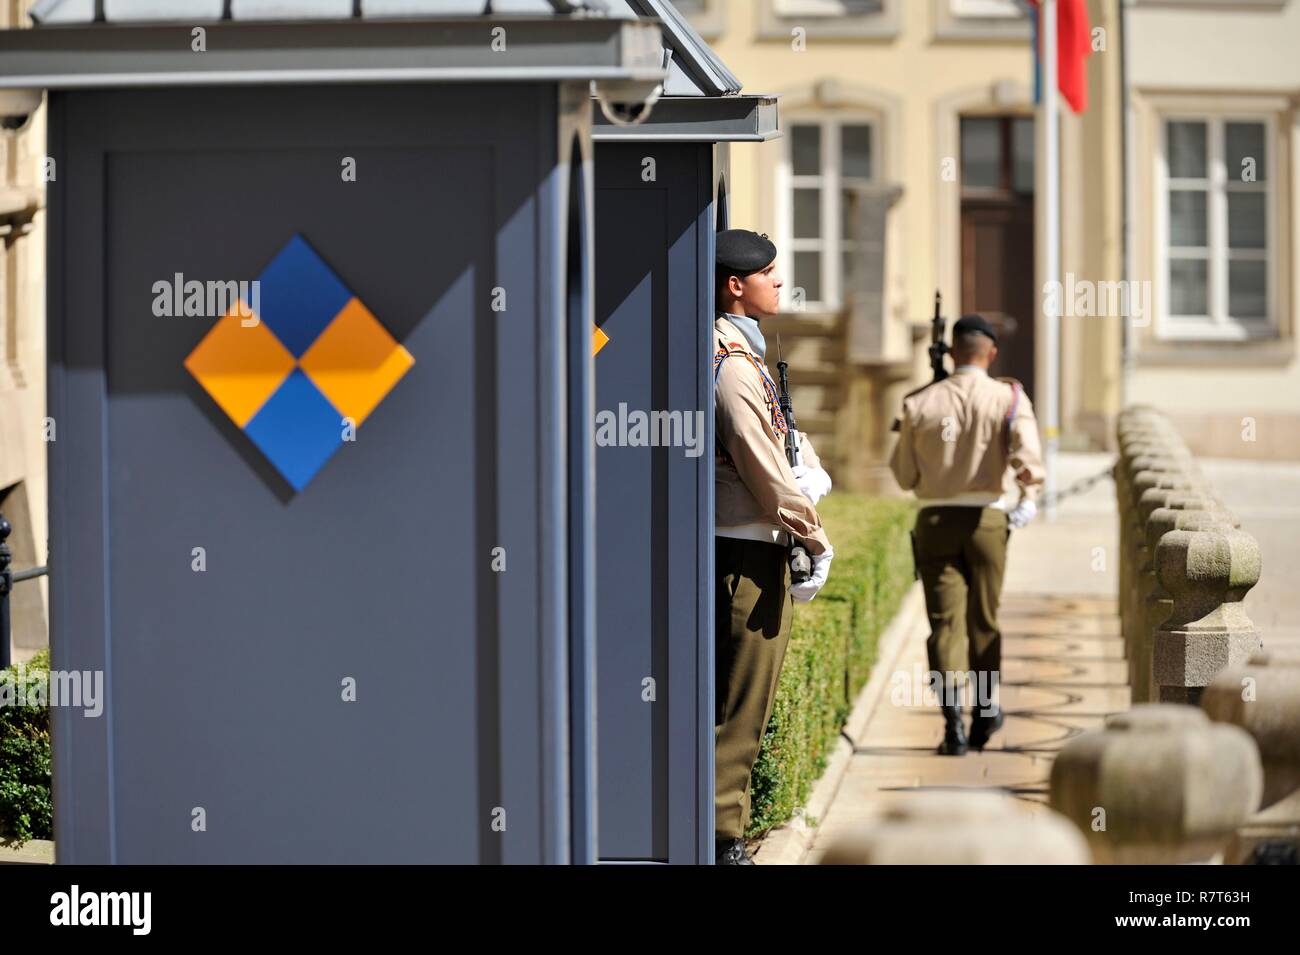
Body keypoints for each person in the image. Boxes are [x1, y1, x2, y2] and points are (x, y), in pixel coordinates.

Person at [713, 229, 834, 865]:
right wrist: (812, 531)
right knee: (741, 709)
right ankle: (721, 839)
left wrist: (807, 471)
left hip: (748, 544)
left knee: (736, 702)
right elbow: (759, 462)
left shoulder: (743, 353)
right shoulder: (732, 363)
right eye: (769, 273)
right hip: (747, 554)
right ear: (737, 286)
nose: (779, 282)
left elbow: (779, 434)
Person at [888, 314, 1044, 756]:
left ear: (952, 352)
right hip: (987, 522)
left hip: (936, 521)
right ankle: (986, 709)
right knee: (984, 621)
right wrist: (1028, 495)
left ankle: (952, 724)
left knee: (944, 627)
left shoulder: (919, 401)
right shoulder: (1007, 397)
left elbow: (903, 475)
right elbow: (1026, 454)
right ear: (991, 353)